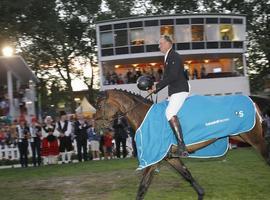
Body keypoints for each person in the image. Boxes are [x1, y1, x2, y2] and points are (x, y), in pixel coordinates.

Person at [149, 35, 189, 157]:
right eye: (159, 44)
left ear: (168, 44)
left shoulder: (174, 56)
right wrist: (155, 89)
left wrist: (157, 87)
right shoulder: (168, 57)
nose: (159, 46)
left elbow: (172, 76)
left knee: (169, 113)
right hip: (174, 91)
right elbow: (168, 78)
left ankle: (182, 147)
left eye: (161, 43)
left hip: (180, 90)